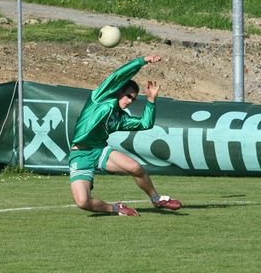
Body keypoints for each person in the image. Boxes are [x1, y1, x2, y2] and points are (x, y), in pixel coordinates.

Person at [69, 54, 182, 216]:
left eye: (134, 99)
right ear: (119, 91)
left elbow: (145, 124)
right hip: (80, 154)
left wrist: (150, 100)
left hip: (99, 150)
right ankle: (117, 208)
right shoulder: (100, 98)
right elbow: (119, 75)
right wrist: (142, 61)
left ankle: (157, 199)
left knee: (136, 167)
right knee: (83, 202)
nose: (130, 101)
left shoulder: (119, 118)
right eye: (128, 96)